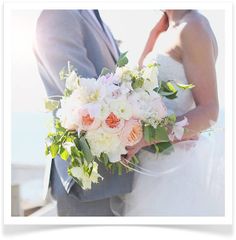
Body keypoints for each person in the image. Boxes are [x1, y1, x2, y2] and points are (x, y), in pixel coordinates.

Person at [116, 10, 225, 216]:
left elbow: (210, 111)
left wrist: (146, 138)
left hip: (172, 172)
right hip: (148, 170)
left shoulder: (193, 27)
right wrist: (152, 37)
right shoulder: (164, 29)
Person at [34, 10, 134, 216]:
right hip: (86, 183)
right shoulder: (59, 14)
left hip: (112, 178)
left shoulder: (94, 15)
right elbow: (86, 97)